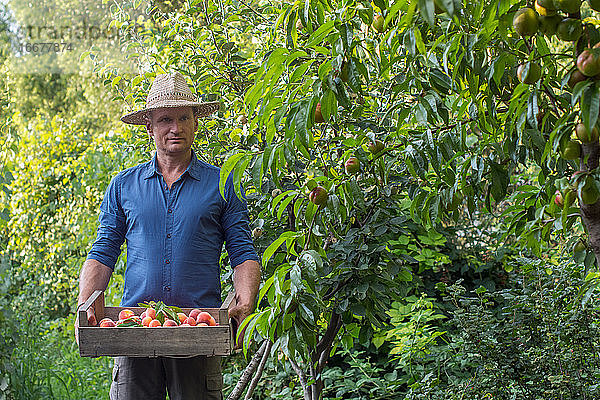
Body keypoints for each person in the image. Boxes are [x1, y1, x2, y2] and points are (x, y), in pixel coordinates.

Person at [74, 72, 261, 400]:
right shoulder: (124, 186)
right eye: (165, 119)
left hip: (198, 329)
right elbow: (104, 250)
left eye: (183, 117)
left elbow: (242, 250)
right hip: (135, 328)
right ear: (150, 127)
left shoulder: (222, 183)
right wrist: (86, 302)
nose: (175, 128)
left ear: (195, 124)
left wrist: (245, 300)